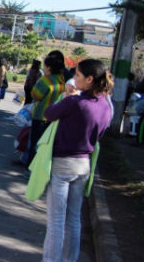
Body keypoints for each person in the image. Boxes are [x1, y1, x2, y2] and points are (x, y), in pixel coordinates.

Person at [41, 59, 113, 261]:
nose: (75, 79)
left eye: (79, 76)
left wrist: (67, 96)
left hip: (63, 162)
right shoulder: (105, 106)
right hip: (84, 164)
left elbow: (49, 113)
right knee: (73, 218)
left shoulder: (74, 102)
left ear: (90, 79)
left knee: (56, 220)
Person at [21, 56, 66, 166]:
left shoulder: (45, 80)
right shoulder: (61, 80)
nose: (43, 68)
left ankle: (29, 165)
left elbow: (36, 95)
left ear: (49, 67)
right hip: (54, 117)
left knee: (34, 143)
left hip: (41, 115)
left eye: (45, 66)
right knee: (45, 144)